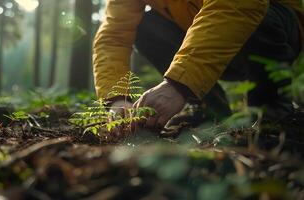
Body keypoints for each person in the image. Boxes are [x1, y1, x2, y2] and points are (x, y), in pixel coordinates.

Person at [93, 0, 304, 129]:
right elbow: (114, 36)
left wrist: (179, 84)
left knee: (260, 15)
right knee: (145, 26)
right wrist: (117, 99)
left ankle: (271, 108)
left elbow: (236, 7)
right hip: (207, 42)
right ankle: (208, 108)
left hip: (274, 31)